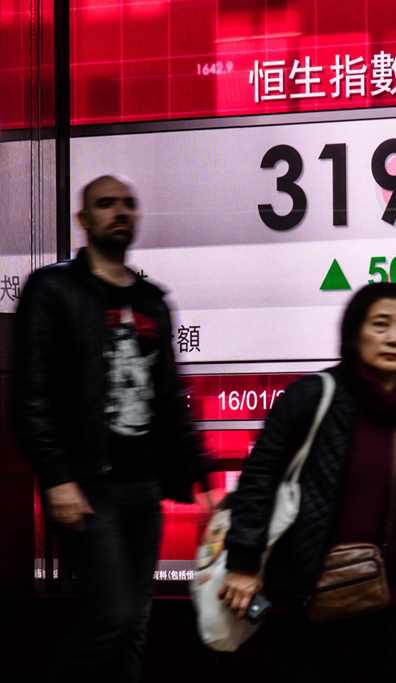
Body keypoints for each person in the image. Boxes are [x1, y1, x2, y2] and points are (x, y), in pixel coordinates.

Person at [11, 175, 211, 682]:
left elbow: (170, 398)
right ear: (84, 219)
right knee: (112, 615)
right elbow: (30, 393)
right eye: (105, 204)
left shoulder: (151, 301)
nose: (118, 212)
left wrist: (201, 478)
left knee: (136, 621)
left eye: (127, 205)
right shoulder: (53, 290)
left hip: (143, 485)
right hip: (87, 484)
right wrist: (56, 476)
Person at [221, 282, 396, 683]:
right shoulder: (311, 397)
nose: (393, 338)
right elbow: (258, 480)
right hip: (316, 600)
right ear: (355, 333)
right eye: (381, 325)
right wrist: (243, 563)